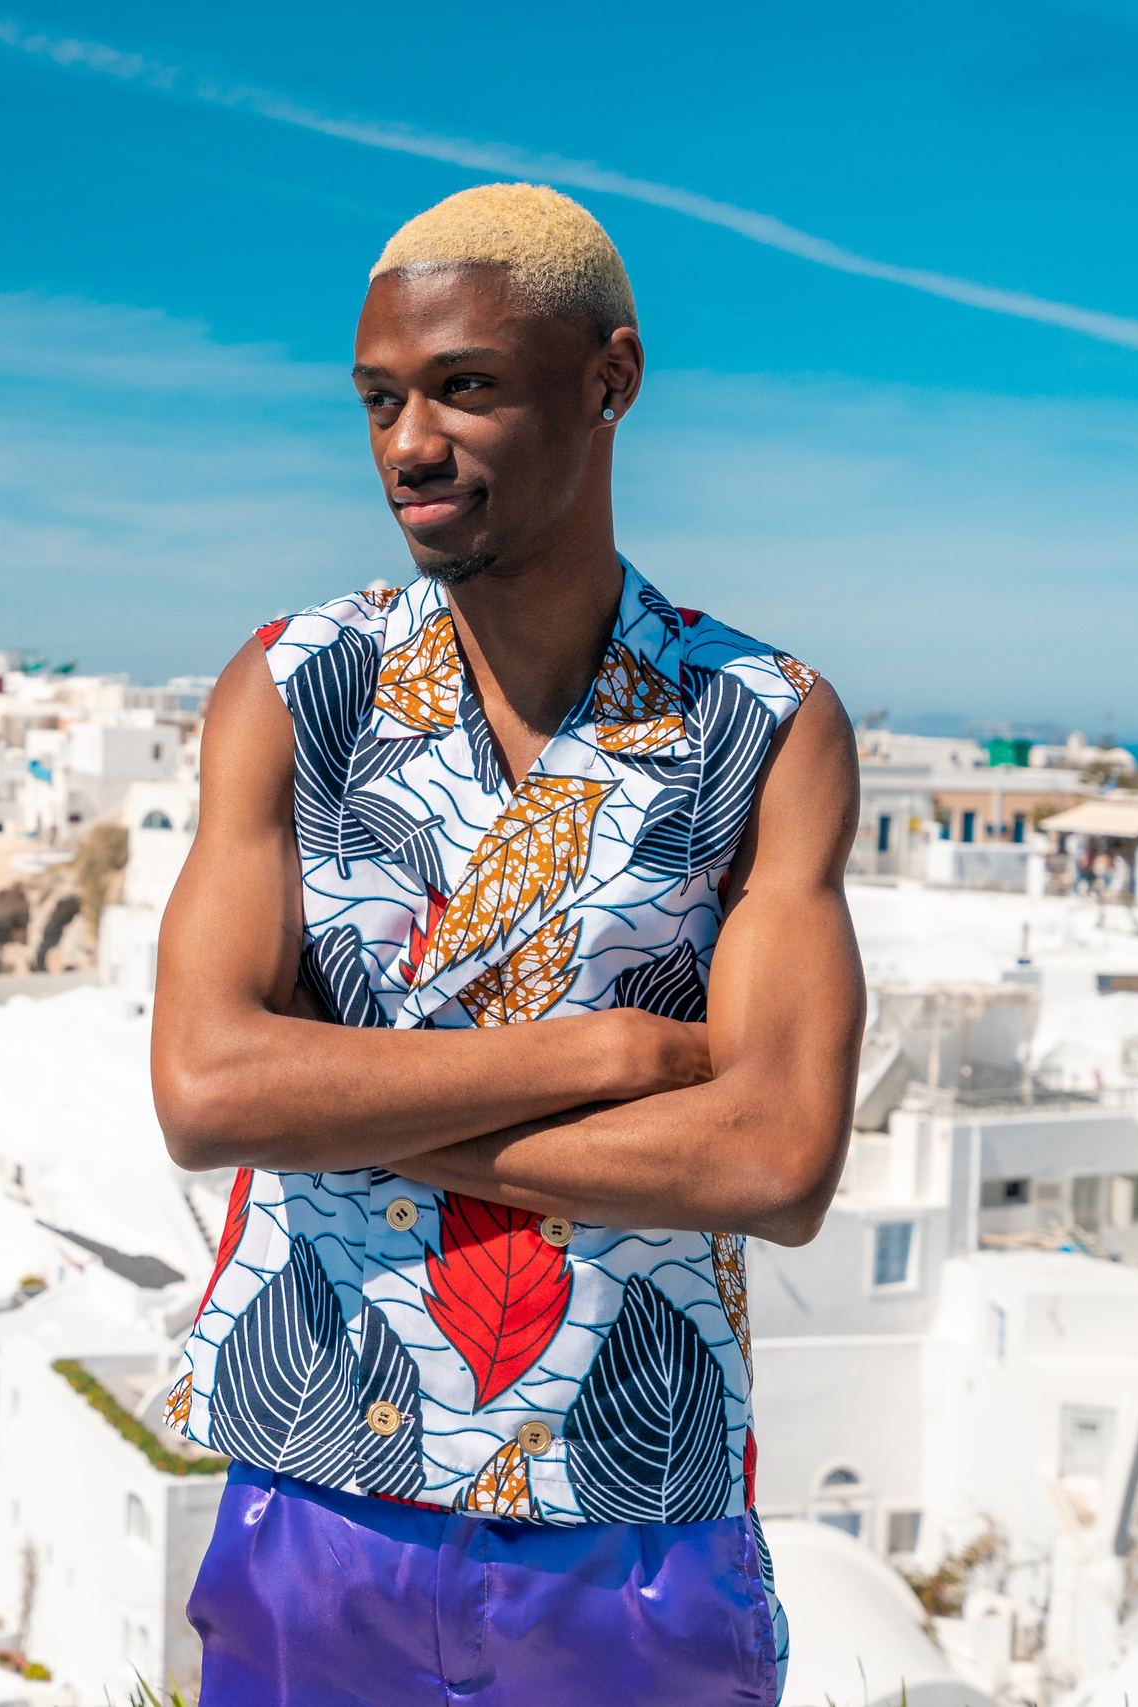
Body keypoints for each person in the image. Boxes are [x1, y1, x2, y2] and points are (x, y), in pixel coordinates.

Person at [150, 183, 864, 1705]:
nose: (411, 444)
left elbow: (775, 1160)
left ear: (610, 379)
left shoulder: (764, 724)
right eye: (380, 400)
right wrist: (604, 1059)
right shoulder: (294, 688)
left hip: (633, 1505)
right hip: (318, 1474)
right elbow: (209, 1091)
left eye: (465, 386)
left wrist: (347, 1110)